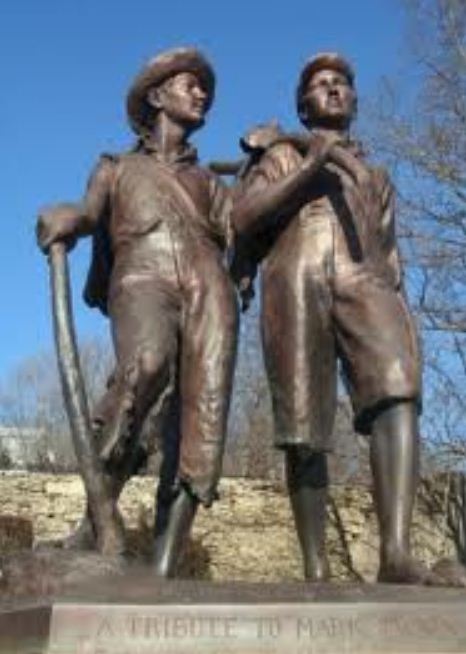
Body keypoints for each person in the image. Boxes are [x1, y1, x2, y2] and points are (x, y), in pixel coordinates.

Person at [232, 52, 443, 584]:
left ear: (354, 101)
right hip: (296, 276)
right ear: (304, 107)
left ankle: (396, 553)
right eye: (320, 84)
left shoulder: (376, 175)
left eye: (342, 83)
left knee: (398, 390)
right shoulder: (281, 154)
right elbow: (246, 216)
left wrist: (394, 296)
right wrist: (312, 165)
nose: (333, 89)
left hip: (365, 278)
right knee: (303, 424)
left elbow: (389, 250)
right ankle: (316, 568)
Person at [37, 47, 238, 577]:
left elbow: (243, 227)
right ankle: (96, 518)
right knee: (145, 366)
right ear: (157, 96)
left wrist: (286, 167)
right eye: (190, 84)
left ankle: (163, 568)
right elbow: (88, 213)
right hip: (142, 275)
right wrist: (69, 218)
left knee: (201, 420)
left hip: (209, 287)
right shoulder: (117, 167)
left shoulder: (210, 183)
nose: (201, 94)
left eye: (205, 88)